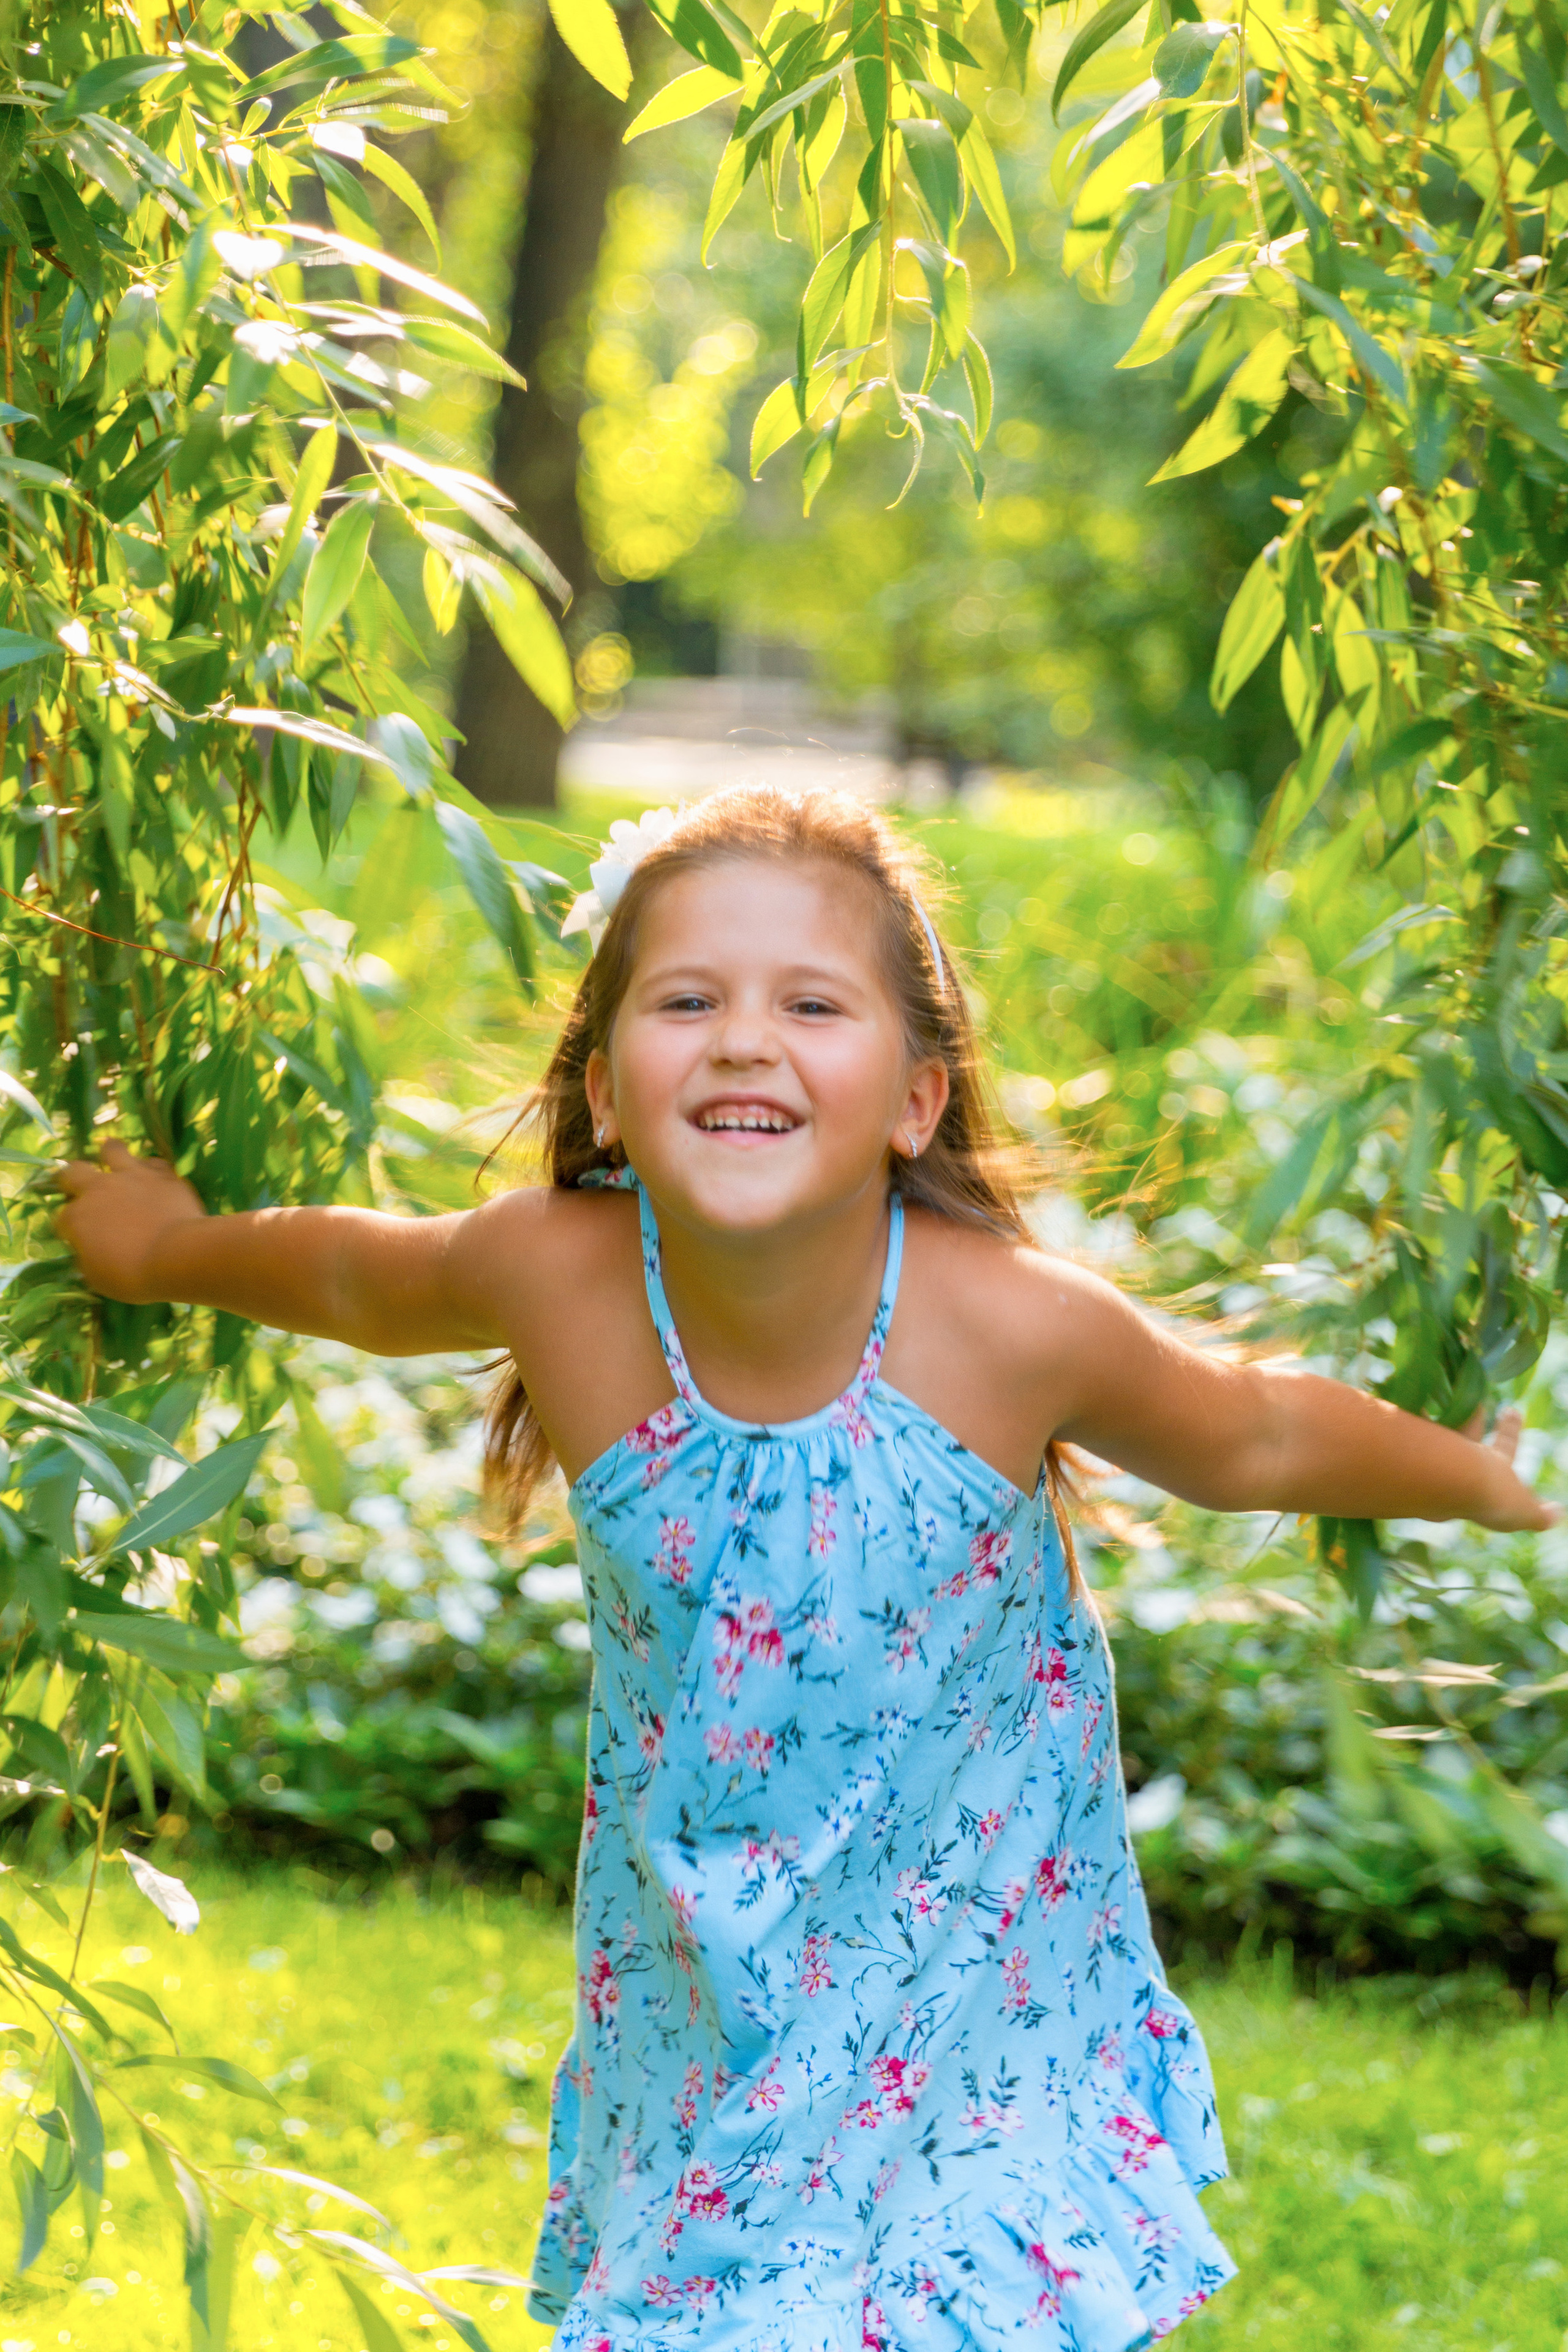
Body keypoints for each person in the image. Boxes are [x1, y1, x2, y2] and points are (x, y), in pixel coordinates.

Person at [56, 785, 1551, 2352]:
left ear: (915, 1099)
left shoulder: (1007, 1325)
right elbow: (357, 1276)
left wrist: (1462, 1471)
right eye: (686, 1001)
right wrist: (161, 1252)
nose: (743, 1042)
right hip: (706, 1993)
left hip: (974, 1997)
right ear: (605, 1090)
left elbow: (1248, 1435)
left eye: (810, 1005)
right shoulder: (554, 1273)